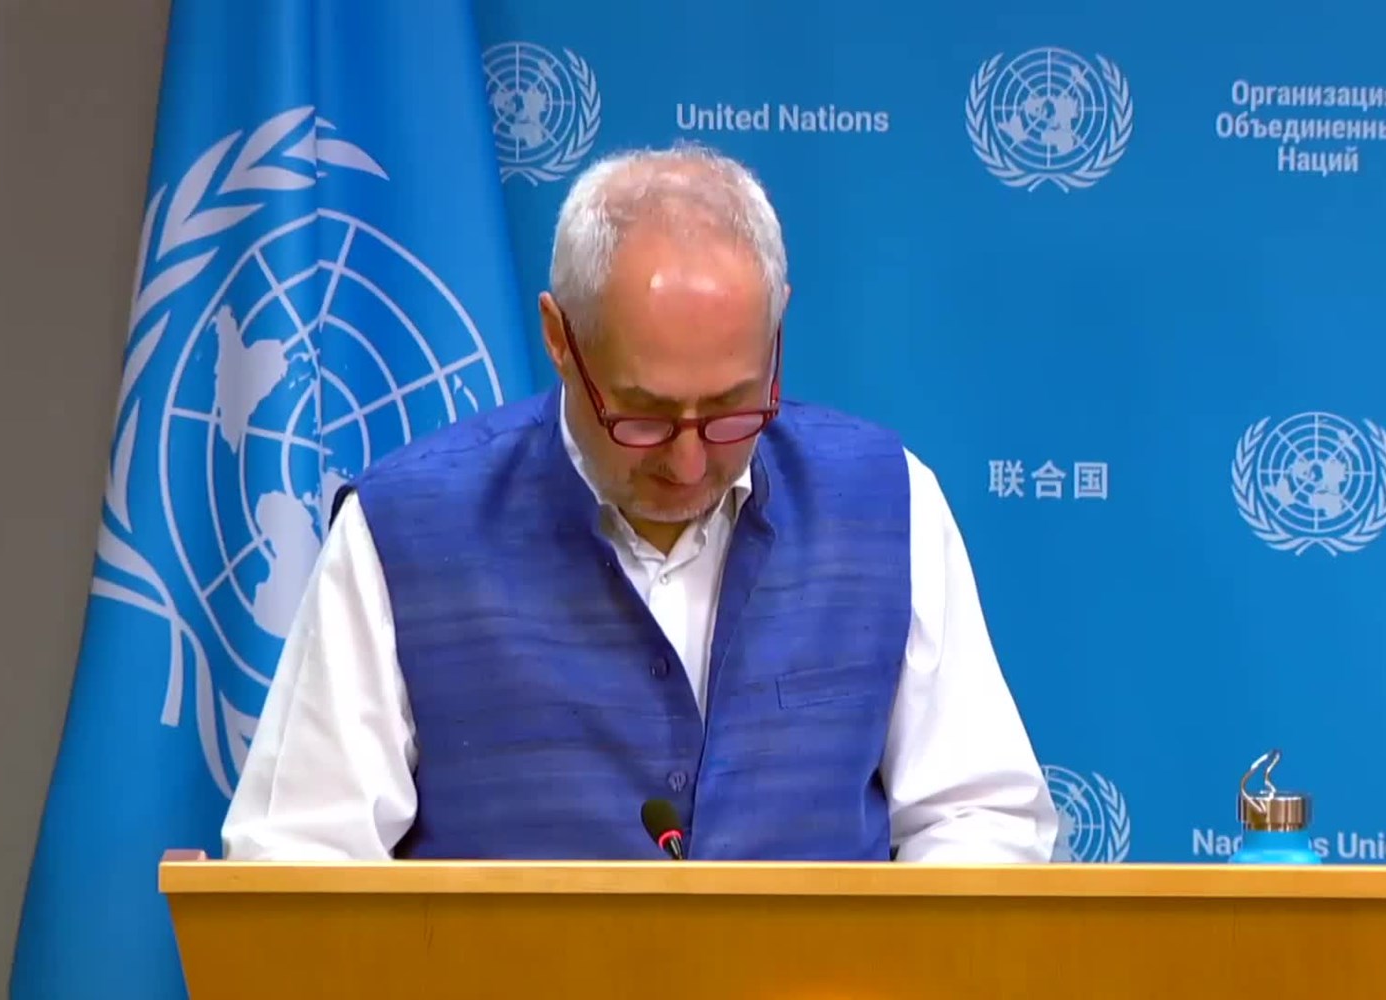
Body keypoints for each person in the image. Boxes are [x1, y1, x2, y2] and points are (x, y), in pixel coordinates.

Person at [220, 143, 1058, 863]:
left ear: (777, 331)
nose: (690, 461)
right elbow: (297, 859)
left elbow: (979, 816)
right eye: (644, 416)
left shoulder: (886, 502)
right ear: (559, 338)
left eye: (732, 408)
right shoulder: (403, 531)